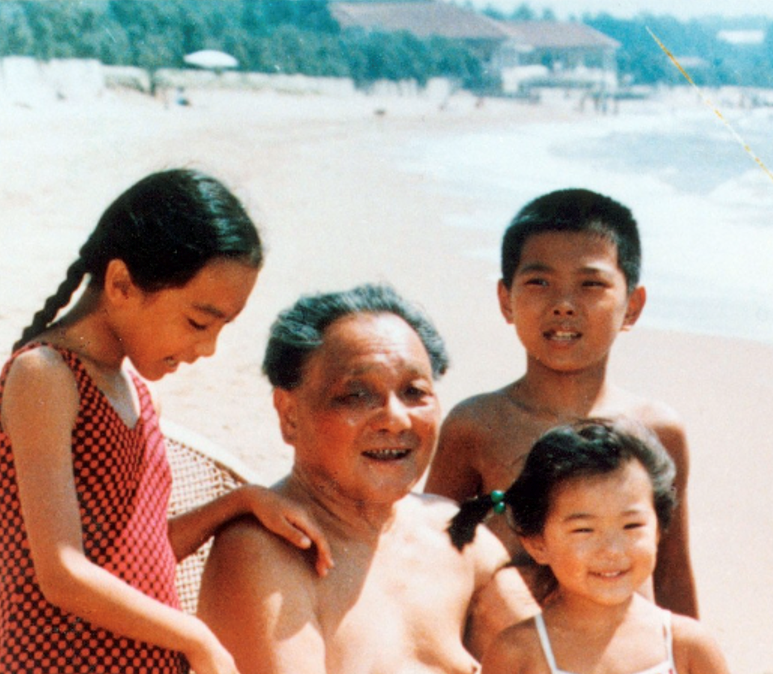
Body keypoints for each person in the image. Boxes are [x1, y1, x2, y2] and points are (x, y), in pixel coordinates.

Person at [0, 169, 332, 674]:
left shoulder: (134, 390)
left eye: (221, 328)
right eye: (199, 322)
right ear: (121, 285)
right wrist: (195, 637)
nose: (208, 348)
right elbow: (62, 573)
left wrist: (239, 501)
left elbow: (139, 556)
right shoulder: (44, 375)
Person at [197, 283, 533, 674]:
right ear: (290, 415)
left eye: (414, 391)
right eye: (357, 395)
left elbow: (557, 657)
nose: (396, 419)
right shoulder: (261, 553)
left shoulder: (454, 536)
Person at [424, 188, 699, 618]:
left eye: (591, 284)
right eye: (539, 282)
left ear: (632, 306)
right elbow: (432, 557)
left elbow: (672, 573)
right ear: (506, 300)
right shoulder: (477, 424)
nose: (564, 305)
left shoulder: (658, 430)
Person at [448, 419, 729, 674]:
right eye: (584, 530)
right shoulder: (518, 653)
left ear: (657, 529)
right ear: (537, 543)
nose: (612, 550)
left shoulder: (687, 646)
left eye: (632, 526)